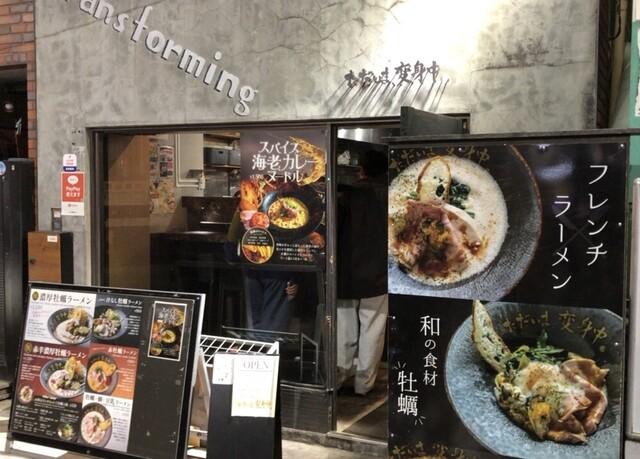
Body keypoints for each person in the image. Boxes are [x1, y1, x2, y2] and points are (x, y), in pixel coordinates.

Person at [336, 149, 388, 396]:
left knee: (343, 330)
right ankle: (364, 384)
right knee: (372, 331)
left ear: (362, 170)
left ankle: (338, 378)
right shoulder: (392, 195)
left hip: (346, 272)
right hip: (379, 274)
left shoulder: (345, 195)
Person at [224, 208, 298, 332]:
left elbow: (231, 253)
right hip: (277, 273)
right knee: (270, 327)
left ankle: (259, 342)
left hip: (259, 272)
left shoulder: (245, 207)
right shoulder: (246, 207)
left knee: (256, 327)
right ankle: (265, 342)